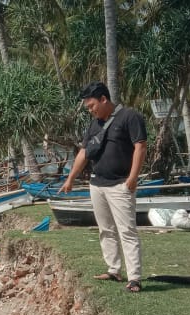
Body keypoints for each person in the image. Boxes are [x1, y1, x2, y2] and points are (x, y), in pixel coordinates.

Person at [59, 81, 148, 292]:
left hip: (120, 184)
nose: (90, 111)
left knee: (127, 231)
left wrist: (133, 178)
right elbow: (84, 152)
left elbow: (140, 146)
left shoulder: (130, 117)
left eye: (92, 106)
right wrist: (70, 178)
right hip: (97, 184)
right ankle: (113, 269)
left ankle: (134, 277)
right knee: (105, 230)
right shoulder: (94, 124)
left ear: (104, 99)